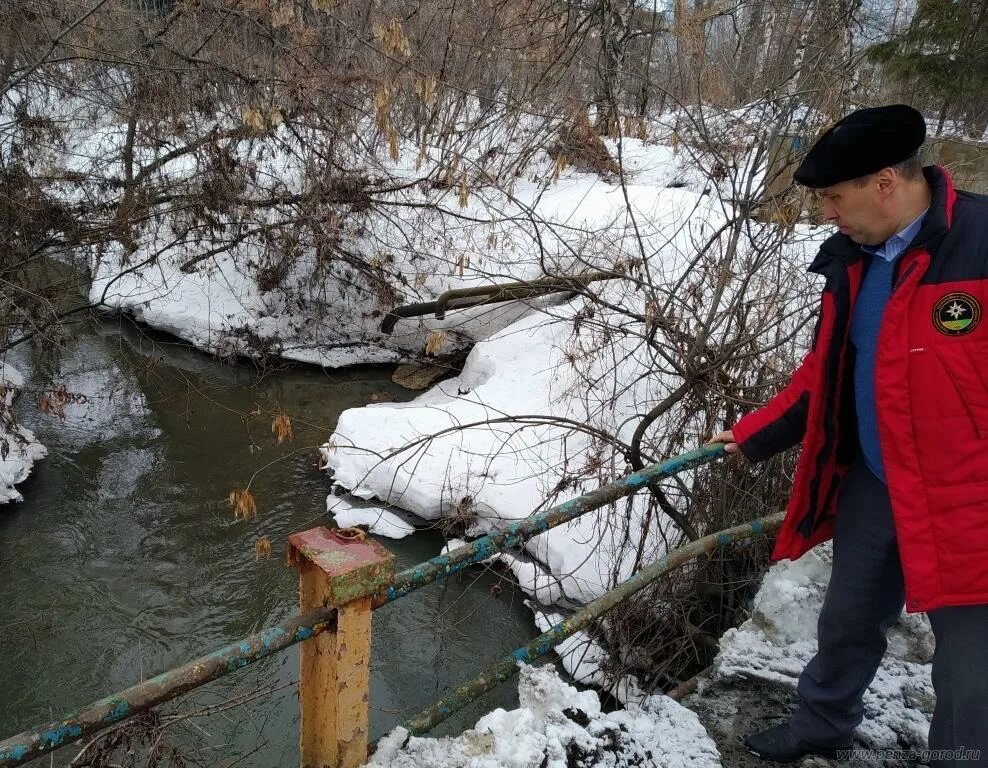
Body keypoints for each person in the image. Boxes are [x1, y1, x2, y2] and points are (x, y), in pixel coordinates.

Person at [709, 104, 988, 765]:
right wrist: (755, 433)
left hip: (968, 496)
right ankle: (821, 727)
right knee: (847, 622)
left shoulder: (981, 241)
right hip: (876, 478)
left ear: (885, 182)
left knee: (971, 668)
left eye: (834, 196)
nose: (826, 213)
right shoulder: (853, 260)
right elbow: (828, 368)